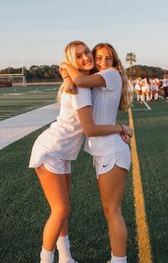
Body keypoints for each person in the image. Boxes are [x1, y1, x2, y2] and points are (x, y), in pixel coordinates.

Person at [29, 41, 133, 263]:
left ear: (115, 61)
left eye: (89, 53)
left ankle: (71, 257)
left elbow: (77, 80)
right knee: (61, 211)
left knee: (82, 211)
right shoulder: (83, 85)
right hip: (54, 149)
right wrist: (122, 128)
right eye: (84, 55)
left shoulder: (102, 78)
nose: (92, 59)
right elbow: (90, 128)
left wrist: (67, 72)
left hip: (83, 151)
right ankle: (51, 259)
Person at [60, 43, 133, 263]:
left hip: (111, 151)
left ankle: (119, 261)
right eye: (98, 57)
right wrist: (65, 74)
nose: (101, 62)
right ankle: (117, 259)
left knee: (113, 211)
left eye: (107, 58)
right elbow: (77, 82)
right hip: (105, 151)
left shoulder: (110, 74)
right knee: (110, 210)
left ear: (115, 62)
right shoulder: (100, 79)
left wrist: (65, 66)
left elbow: (79, 80)